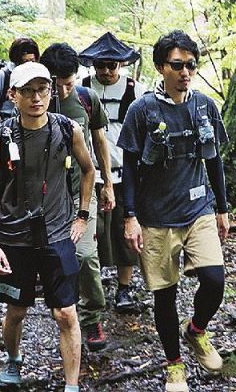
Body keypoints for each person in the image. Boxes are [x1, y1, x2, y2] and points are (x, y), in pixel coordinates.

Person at [118, 30, 230, 392]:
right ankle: (174, 365)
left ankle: (196, 330)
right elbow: (130, 168)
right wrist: (130, 216)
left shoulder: (205, 107)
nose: (186, 72)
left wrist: (223, 209)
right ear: (160, 66)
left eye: (191, 65)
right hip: (156, 217)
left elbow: (215, 163)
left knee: (214, 280)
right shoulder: (142, 110)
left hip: (198, 208)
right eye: (178, 65)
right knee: (164, 294)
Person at [0, 61, 95, 392]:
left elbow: (88, 170)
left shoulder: (68, 129)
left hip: (58, 235)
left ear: (51, 91)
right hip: (16, 237)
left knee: (66, 315)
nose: (36, 98)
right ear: (13, 95)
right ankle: (13, 360)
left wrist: (82, 215)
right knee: (16, 311)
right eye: (27, 91)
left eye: (42, 89)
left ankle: (71, 385)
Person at [39, 43, 115, 352]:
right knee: (54, 257)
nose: (67, 89)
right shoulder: (35, 102)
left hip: (82, 191)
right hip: (45, 198)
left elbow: (99, 140)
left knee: (85, 255)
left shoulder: (86, 99)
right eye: (61, 85)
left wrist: (107, 182)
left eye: (71, 82)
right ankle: (62, 308)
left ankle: (92, 314)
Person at [79, 32, 145, 312]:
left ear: (122, 65)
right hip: (85, 174)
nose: (106, 71)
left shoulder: (136, 92)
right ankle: (86, 289)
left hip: (125, 173)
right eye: (100, 65)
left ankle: (124, 289)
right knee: (90, 232)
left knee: (124, 232)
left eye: (112, 66)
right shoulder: (81, 89)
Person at [0, 37, 40, 128]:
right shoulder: (3, 75)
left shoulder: (38, 74)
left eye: (32, 61)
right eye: (25, 61)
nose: (29, 65)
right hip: (6, 122)